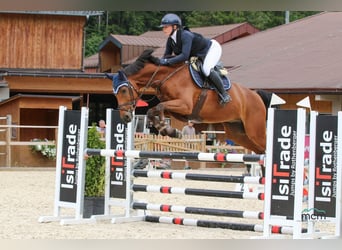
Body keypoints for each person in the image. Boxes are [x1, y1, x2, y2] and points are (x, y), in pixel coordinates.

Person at [158, 13, 231, 105]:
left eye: (166, 27)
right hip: (198, 54)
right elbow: (166, 56)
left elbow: (184, 56)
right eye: (163, 27)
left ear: (175, 27)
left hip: (211, 49)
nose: (163, 29)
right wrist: (158, 63)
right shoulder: (171, 40)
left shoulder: (185, 35)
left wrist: (166, 61)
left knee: (206, 69)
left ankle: (224, 94)